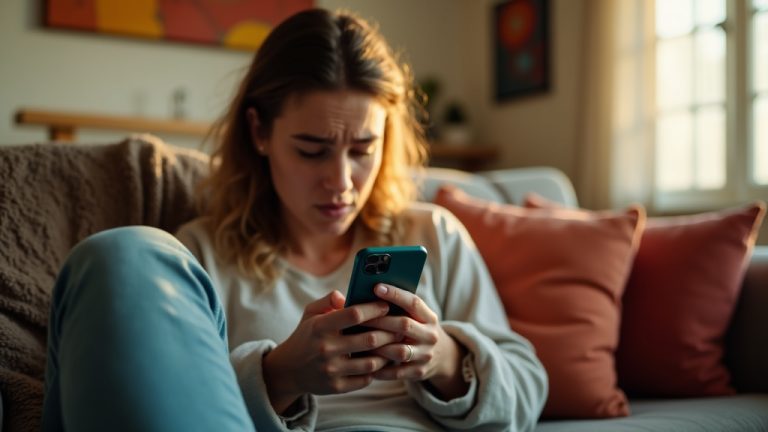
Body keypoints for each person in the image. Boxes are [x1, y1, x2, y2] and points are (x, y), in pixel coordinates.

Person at [41, 8, 547, 432]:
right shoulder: (201, 256)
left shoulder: (433, 234)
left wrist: (443, 359)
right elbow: (172, 399)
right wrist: (280, 374)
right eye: (311, 150)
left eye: (363, 150)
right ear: (259, 132)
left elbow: (530, 388)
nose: (342, 181)